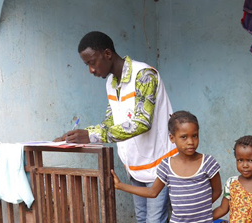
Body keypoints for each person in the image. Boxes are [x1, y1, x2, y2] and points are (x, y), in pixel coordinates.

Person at [56, 31, 175, 222]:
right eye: (87, 65)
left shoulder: (144, 75)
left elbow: (142, 122)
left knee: (154, 220)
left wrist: (92, 136)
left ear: (107, 54)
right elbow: (110, 122)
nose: (91, 70)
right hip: (135, 165)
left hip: (159, 165)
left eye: (92, 62)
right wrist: (80, 135)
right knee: (142, 219)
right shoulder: (111, 84)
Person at [112, 111, 223, 223]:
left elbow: (217, 191)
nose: (190, 142)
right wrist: (120, 185)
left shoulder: (208, 162)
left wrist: (201, 209)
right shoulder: (166, 166)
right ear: (172, 138)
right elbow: (152, 192)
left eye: (195, 136)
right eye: (184, 137)